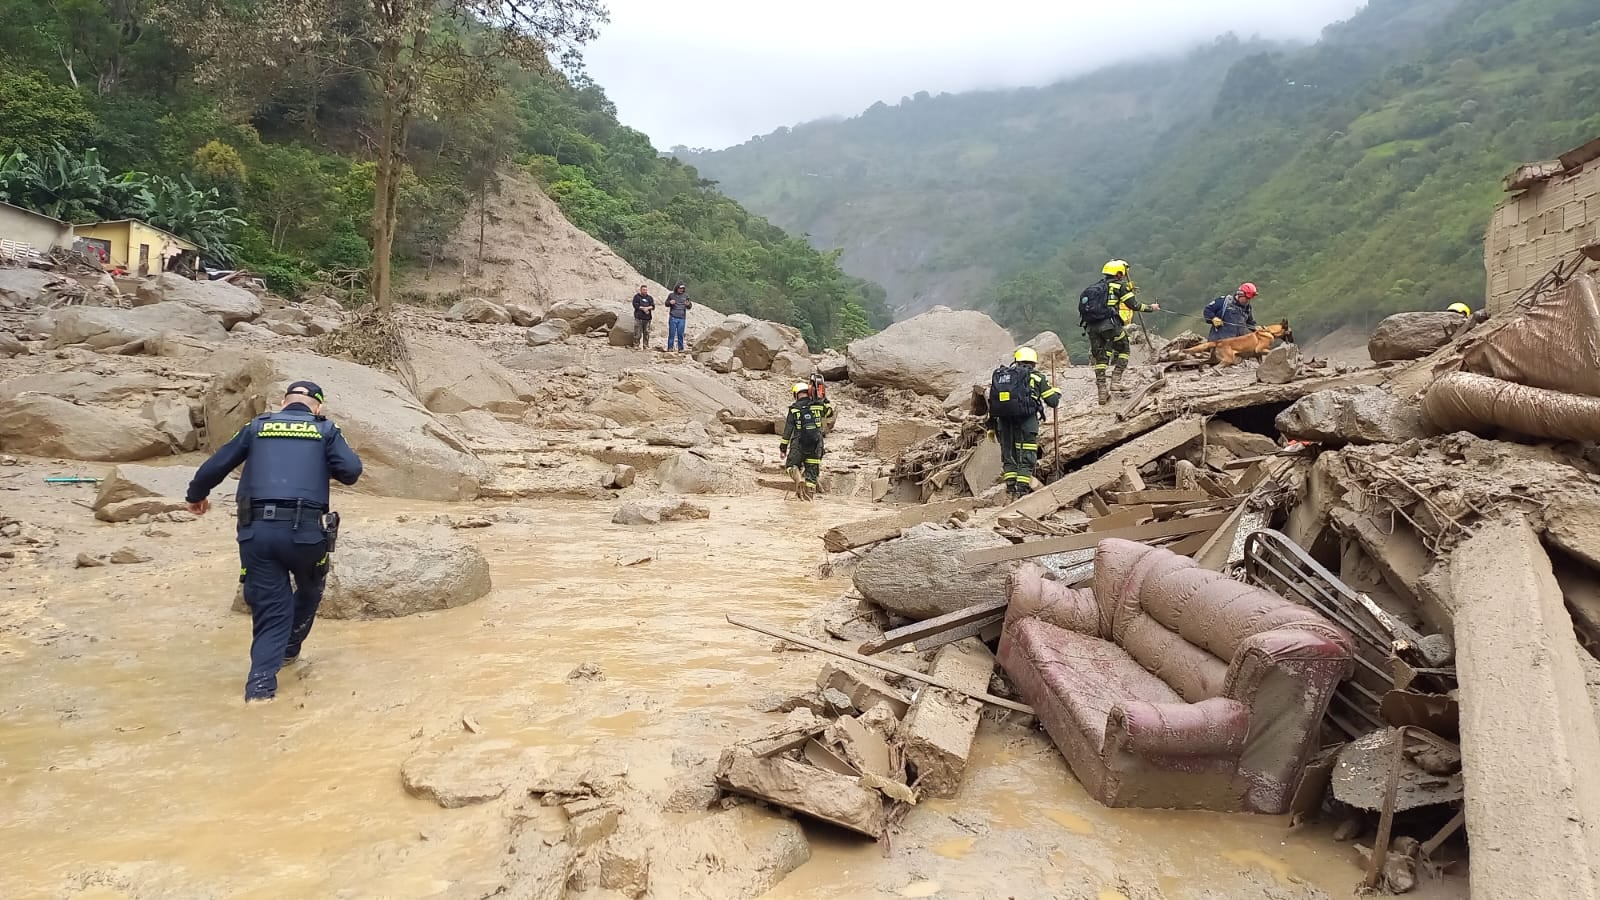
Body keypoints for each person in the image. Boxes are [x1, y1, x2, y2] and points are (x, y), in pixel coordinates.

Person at [186, 381, 362, 703]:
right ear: (318, 407)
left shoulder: (257, 427)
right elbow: (351, 471)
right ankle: (290, 651)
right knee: (311, 587)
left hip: (257, 534)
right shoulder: (325, 430)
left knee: (272, 610)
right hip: (306, 535)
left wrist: (196, 496)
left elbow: (216, 465)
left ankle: (260, 691)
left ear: (283, 402)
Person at [1079, 259, 1159, 405]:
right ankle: (1116, 382)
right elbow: (1134, 305)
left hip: (1091, 327)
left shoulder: (1096, 286)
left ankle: (1102, 393)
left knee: (1101, 359)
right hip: (1109, 325)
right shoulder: (1120, 285)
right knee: (1124, 348)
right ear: (1119, 273)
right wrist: (1151, 308)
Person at [987, 347, 1062, 495]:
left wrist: (991, 426)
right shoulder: (1037, 377)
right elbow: (1052, 401)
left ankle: (1010, 487)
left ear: (1017, 361)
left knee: (1009, 454)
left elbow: (992, 402)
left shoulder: (1003, 376)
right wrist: (1057, 392)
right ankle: (1021, 489)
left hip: (1004, 422)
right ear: (1033, 363)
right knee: (1026, 454)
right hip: (1026, 422)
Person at [779, 381, 835, 501]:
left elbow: (787, 430)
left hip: (798, 443)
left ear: (796, 394)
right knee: (812, 473)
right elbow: (830, 414)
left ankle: (798, 478)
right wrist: (824, 399)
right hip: (816, 443)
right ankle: (808, 499)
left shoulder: (794, 409)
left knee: (790, 466)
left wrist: (783, 448)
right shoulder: (819, 405)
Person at [664, 283, 692, 352]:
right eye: (680, 288)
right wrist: (670, 302)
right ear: (677, 288)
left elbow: (690, 306)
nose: (681, 290)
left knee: (680, 334)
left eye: (682, 289)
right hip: (673, 317)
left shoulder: (686, 296)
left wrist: (688, 304)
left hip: (682, 318)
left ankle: (680, 348)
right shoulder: (671, 295)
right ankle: (670, 348)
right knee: (672, 334)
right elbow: (666, 304)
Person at [631, 285, 656, 350]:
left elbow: (653, 306)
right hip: (639, 318)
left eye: (646, 290)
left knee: (647, 332)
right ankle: (636, 345)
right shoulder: (637, 297)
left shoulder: (649, 298)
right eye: (643, 290)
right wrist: (643, 308)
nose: (645, 291)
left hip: (647, 318)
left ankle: (646, 345)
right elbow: (635, 305)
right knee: (637, 332)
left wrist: (647, 308)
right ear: (641, 290)